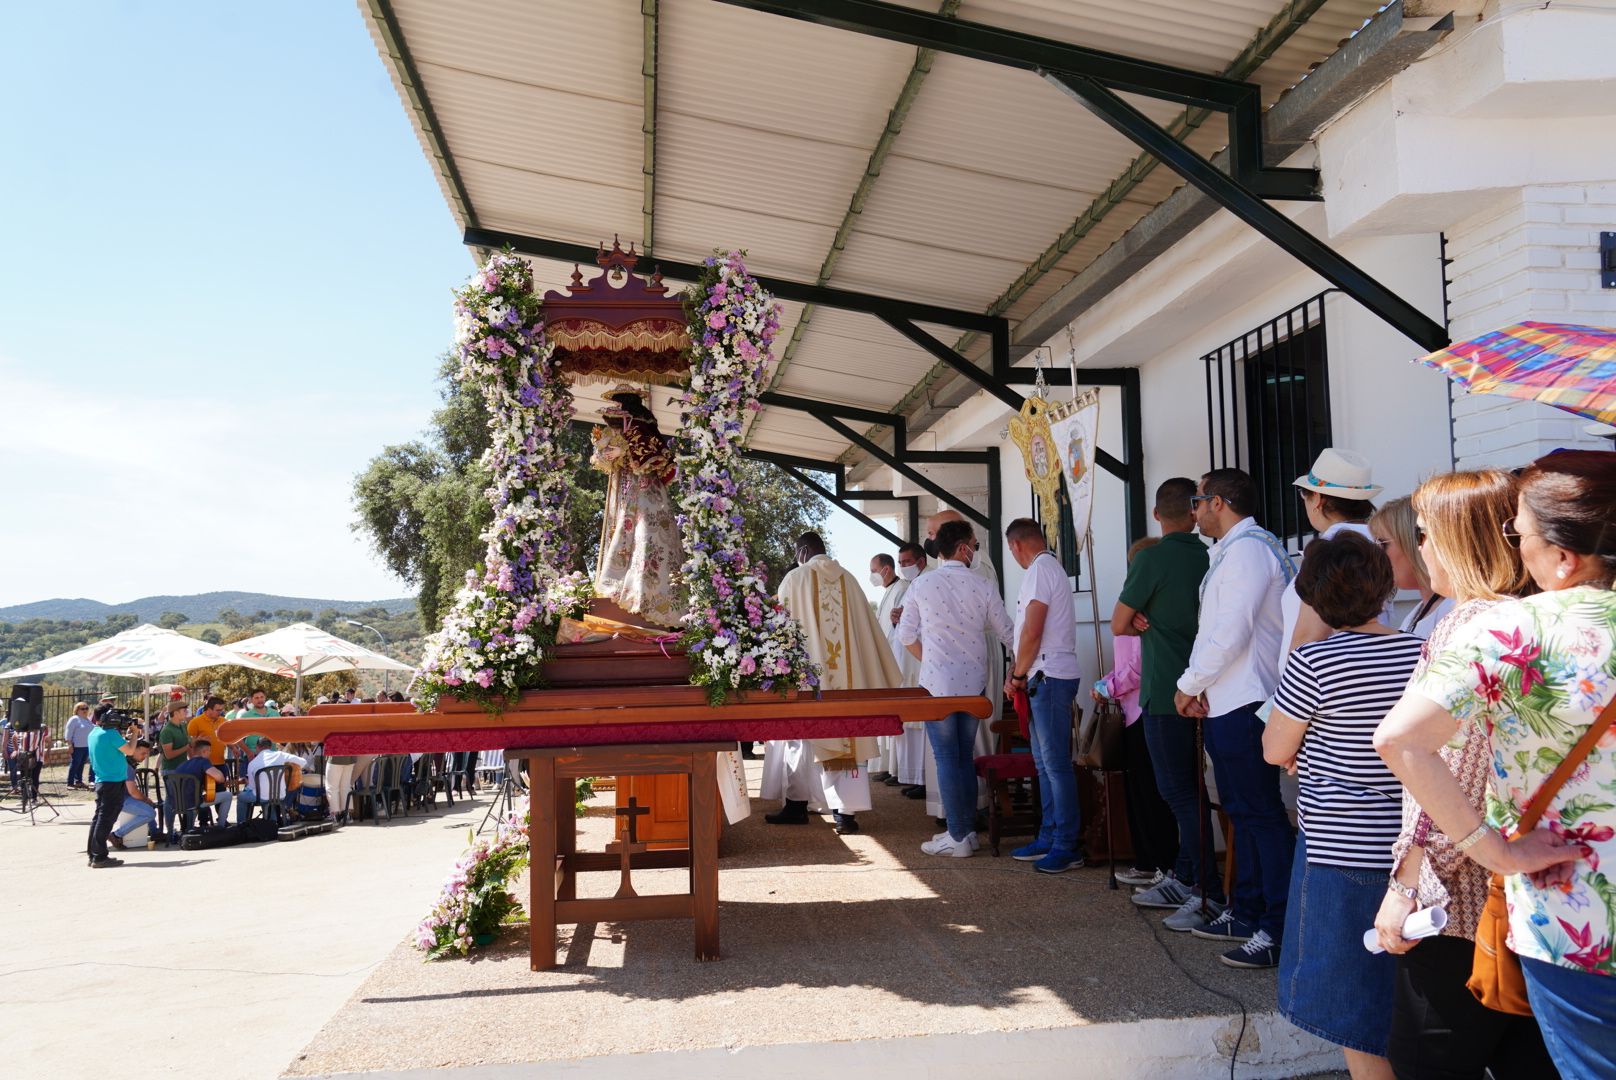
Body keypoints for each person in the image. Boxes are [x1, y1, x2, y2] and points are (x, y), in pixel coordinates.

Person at [1377, 452, 1616, 1079]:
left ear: (1564, 555)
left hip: (1556, 919)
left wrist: (1479, 858)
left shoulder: (1509, 628)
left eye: (1524, 534)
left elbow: (1421, 750)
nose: (1519, 553)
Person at [1367, 469, 1554, 1079]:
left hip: (1465, 902)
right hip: (1544, 891)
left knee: (1427, 1058)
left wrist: (1406, 886)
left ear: (1458, 538)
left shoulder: (1470, 625)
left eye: (1424, 534)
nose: (1419, 548)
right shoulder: (1547, 618)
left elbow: (1444, 766)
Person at [1262, 533, 1425, 1078]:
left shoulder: (1315, 661)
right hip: (1416, 847)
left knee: (1351, 1002)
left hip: (1339, 846)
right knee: (1409, 997)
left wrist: (1303, 747)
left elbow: (1274, 749)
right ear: (1383, 586)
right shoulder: (1421, 651)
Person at [1174, 468, 1296, 969]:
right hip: (1228, 698)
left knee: (1262, 816)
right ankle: (1245, 910)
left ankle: (1277, 926)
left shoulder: (1248, 550)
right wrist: (1201, 685)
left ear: (1219, 502)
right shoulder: (1234, 549)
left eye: (1199, 501)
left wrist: (1188, 683)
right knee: (1242, 815)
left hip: (1248, 700)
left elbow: (1230, 632)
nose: (1194, 510)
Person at [1113, 478, 1225, 929]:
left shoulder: (1153, 557)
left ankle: (1207, 892)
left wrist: (1142, 616)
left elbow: (1120, 623)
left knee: (1179, 793)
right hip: (1215, 687)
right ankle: (1185, 875)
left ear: (1157, 516)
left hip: (1166, 689)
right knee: (1193, 791)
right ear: (1196, 512)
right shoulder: (1213, 554)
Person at [764, 531, 902, 834]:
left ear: (802, 552)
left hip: (808, 678)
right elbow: (868, 632)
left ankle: (798, 805)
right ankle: (845, 814)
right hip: (849, 683)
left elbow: (781, 631)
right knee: (847, 733)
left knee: (802, 739)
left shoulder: (795, 580)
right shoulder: (850, 580)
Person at [898, 519, 1015, 857]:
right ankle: (965, 831)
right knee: (963, 755)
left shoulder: (922, 585)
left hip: (938, 685)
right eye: (975, 545)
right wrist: (1020, 669)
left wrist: (929, 659)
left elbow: (906, 636)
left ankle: (959, 833)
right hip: (974, 682)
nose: (976, 551)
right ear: (963, 548)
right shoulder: (983, 585)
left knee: (948, 758)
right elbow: (1008, 633)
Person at [1098, 537, 1179, 889]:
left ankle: (1159, 863)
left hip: (1143, 706)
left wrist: (1107, 688)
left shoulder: (1143, 609)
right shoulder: (1140, 605)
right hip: (1134, 708)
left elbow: (1137, 667)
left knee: (1151, 793)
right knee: (1139, 790)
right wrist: (1107, 681)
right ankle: (1146, 858)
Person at [1003, 517, 1084, 873]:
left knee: (1054, 764)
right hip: (1044, 674)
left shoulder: (1039, 570)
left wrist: (1017, 675)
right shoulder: (1049, 569)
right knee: (1044, 764)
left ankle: (1067, 843)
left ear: (1016, 545)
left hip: (1047, 675)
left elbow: (1032, 632)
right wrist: (1019, 672)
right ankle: (1050, 835)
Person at [590, 385, 683, 627]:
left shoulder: (643, 424)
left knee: (645, 534)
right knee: (628, 527)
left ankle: (645, 590)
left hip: (643, 487)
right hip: (627, 483)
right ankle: (620, 583)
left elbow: (655, 453)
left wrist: (623, 449)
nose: (618, 409)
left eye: (621, 405)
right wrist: (609, 453)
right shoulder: (627, 426)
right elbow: (606, 458)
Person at [1283, 448, 1384, 654]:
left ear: (1318, 499)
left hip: (1325, 678)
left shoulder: (1332, 552)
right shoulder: (1380, 542)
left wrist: (1289, 682)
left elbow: (1308, 636)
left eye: (1304, 494)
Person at [1368, 495, 1452, 639]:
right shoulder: (1419, 611)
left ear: (1412, 543)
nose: (1377, 555)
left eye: (1382, 544)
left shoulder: (1453, 610)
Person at [892, 541, 930, 795]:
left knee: (923, 725)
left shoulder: (929, 582)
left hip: (923, 659)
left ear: (921, 561)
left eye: (907, 562)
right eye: (901, 563)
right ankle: (916, 778)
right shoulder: (910, 586)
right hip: (909, 659)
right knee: (911, 724)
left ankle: (926, 780)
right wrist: (897, 619)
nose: (903, 567)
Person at [868, 551, 909, 782]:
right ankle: (888, 765)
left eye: (874, 570)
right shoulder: (889, 591)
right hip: (888, 660)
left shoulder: (902, 588)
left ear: (886, 569)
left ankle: (898, 769)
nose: (872, 575)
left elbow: (899, 627)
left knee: (897, 716)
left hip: (899, 659)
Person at [87, 708, 136, 867]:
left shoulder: (94, 733)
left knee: (98, 818)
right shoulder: (110, 734)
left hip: (102, 780)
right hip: (113, 781)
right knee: (106, 819)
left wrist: (124, 737)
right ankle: (100, 857)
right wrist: (134, 734)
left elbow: (111, 748)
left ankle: (93, 854)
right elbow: (130, 751)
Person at [237, 740, 310, 824]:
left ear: (257, 748)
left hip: (262, 797)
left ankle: (241, 824)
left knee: (241, 797)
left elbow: (252, 787)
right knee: (268, 799)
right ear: (271, 746)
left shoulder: (253, 763)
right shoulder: (280, 755)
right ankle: (272, 823)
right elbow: (303, 762)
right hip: (280, 795)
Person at [169, 741, 233, 827]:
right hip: (194, 802)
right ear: (204, 751)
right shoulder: (204, 762)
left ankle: (188, 827)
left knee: (197, 798)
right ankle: (221, 826)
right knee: (228, 795)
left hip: (176, 803)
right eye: (209, 751)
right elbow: (220, 778)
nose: (210, 753)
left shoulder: (182, 765)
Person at [65, 701, 95, 787]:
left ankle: (78, 781)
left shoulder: (87, 720)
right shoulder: (74, 719)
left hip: (86, 746)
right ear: (77, 710)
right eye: (82, 708)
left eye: (86, 708)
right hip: (77, 746)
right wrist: (69, 745)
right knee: (75, 764)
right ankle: (70, 783)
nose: (85, 710)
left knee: (81, 764)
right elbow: (68, 733)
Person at [157, 702, 190, 774]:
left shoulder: (183, 726)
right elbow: (169, 755)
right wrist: (188, 746)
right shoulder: (167, 730)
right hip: (171, 771)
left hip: (182, 768)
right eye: (184, 711)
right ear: (176, 713)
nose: (187, 712)